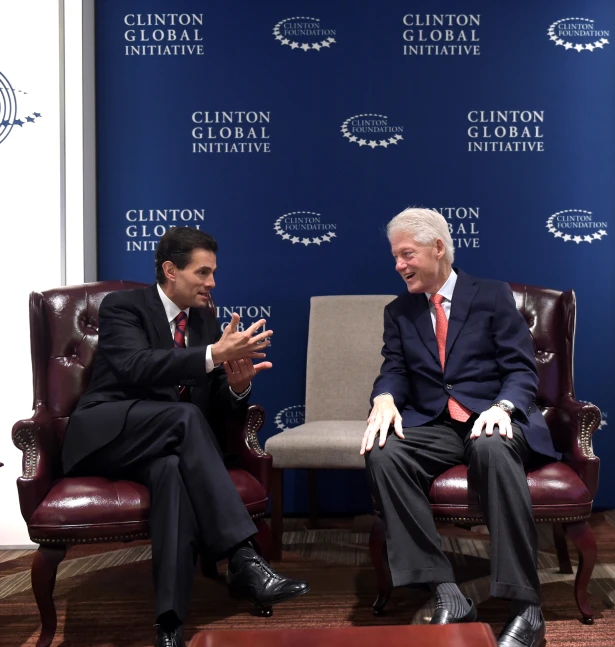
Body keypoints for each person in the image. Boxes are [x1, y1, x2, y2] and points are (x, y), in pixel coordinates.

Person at [62, 227, 309, 647]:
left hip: (164, 444)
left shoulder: (206, 321)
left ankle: (170, 623)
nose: (212, 283)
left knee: (171, 471)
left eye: (214, 273)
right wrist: (213, 355)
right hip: (107, 434)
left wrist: (236, 385)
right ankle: (243, 558)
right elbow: (136, 366)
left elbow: (216, 403)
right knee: (184, 417)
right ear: (170, 271)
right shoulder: (124, 307)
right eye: (203, 272)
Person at [361, 208, 558, 647]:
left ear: (438, 248)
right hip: (436, 423)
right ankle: (447, 593)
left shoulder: (490, 295)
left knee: (490, 445)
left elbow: (522, 370)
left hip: (493, 417)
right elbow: (393, 368)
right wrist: (385, 396)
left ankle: (527, 610)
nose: (398, 265)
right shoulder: (399, 311)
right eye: (395, 257)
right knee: (384, 451)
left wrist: (503, 408)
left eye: (406, 254)